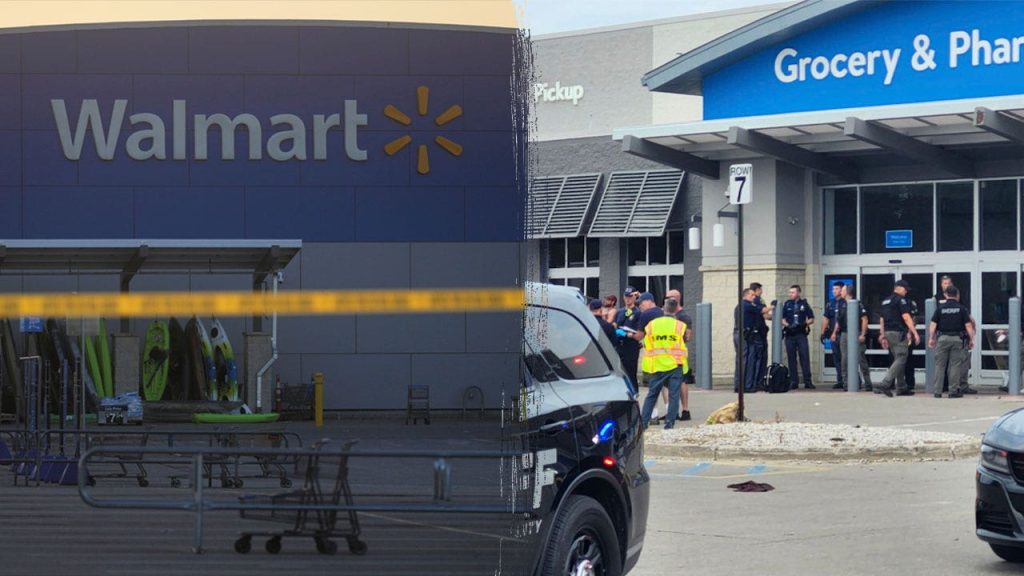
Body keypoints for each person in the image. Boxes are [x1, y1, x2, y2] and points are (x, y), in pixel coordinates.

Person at [636, 295, 687, 430]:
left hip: (657, 365)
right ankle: (670, 423)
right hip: (675, 365)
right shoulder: (680, 326)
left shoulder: (651, 325)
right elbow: (684, 340)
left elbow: (646, 343)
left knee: (652, 394)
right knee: (673, 395)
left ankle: (644, 422)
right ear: (676, 310)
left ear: (663, 309)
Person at [928, 285, 975, 398]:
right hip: (957, 339)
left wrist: (931, 338)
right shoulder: (962, 309)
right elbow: (968, 325)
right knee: (955, 365)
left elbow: (933, 324)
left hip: (942, 338)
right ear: (957, 295)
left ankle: (937, 391)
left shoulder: (940, 309)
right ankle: (953, 391)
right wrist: (971, 339)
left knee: (940, 365)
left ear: (946, 295)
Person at [877, 279, 920, 397]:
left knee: (898, 359)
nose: (906, 292)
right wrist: (915, 333)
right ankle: (886, 383)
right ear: (899, 288)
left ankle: (901, 387)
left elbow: (882, 320)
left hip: (888, 333)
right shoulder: (900, 300)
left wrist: (882, 335)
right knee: (901, 357)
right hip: (898, 333)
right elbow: (906, 317)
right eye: (905, 289)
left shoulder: (885, 301)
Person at [833, 284, 872, 391]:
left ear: (847, 292)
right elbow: (838, 321)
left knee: (861, 359)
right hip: (845, 334)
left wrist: (862, 334)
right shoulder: (842, 305)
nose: (841, 292)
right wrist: (834, 333)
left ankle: (868, 383)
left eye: (842, 290)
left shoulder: (858, 304)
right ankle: (846, 383)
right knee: (844, 359)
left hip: (856, 333)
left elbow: (865, 319)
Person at [663, 291, 692, 421]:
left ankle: (685, 410)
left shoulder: (683, 316)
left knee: (682, 382)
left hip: (678, 355)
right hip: (667, 354)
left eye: (668, 298)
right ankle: (671, 411)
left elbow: (688, 337)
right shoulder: (666, 316)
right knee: (667, 383)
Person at [781, 285, 815, 389]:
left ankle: (807, 381)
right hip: (790, 334)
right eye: (790, 292)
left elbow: (811, 318)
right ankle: (793, 381)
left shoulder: (804, 304)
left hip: (801, 334)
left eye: (793, 292)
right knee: (791, 358)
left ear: (798, 293)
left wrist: (804, 324)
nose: (790, 294)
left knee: (804, 357)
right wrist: (788, 325)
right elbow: (782, 319)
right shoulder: (787, 304)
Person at [736, 288, 764, 393]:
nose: (754, 297)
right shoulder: (747, 305)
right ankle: (747, 385)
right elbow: (762, 310)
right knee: (748, 360)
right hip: (746, 335)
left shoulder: (739, 305)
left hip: (741, 334)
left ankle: (739, 385)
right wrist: (773, 306)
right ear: (746, 295)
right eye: (752, 295)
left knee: (741, 360)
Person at [614, 287, 641, 394]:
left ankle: (634, 393)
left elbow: (639, 331)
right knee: (619, 372)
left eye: (630, 296)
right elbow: (615, 325)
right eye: (626, 296)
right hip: (619, 344)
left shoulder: (638, 312)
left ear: (635, 297)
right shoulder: (620, 311)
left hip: (631, 345)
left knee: (631, 372)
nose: (628, 299)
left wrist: (628, 334)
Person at [823, 282, 845, 390]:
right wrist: (822, 332)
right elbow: (826, 318)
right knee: (836, 358)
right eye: (833, 289)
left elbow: (840, 320)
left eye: (836, 289)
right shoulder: (830, 303)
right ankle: (840, 380)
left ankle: (853, 380)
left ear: (842, 290)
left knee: (846, 358)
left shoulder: (845, 302)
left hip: (843, 334)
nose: (834, 291)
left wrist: (834, 333)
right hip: (833, 336)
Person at [750, 282, 773, 389]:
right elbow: (764, 314)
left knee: (757, 358)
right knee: (761, 358)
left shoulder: (752, 301)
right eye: (761, 289)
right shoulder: (757, 300)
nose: (762, 291)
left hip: (756, 333)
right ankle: (758, 382)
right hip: (759, 333)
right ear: (757, 290)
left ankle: (755, 382)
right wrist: (774, 308)